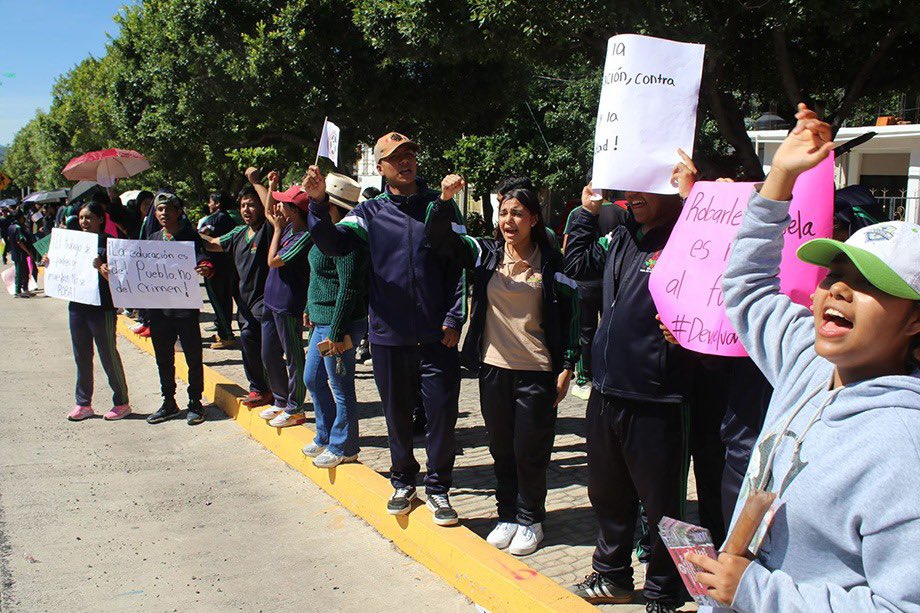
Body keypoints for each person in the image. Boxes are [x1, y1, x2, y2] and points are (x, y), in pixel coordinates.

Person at [687, 104, 920, 611]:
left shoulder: (905, 449)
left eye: (868, 284)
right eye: (834, 274)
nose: (837, 289)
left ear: (915, 322)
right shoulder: (805, 361)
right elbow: (747, 288)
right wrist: (782, 177)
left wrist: (755, 592)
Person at [304, 131, 466, 526]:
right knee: (396, 414)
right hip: (390, 336)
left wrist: (453, 318)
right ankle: (402, 480)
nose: (406, 162)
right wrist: (317, 201)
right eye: (396, 157)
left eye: (410, 154)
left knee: (441, 414)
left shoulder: (440, 206)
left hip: (436, 335)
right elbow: (333, 244)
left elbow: (459, 263)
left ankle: (439, 488)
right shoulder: (369, 213)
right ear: (381, 167)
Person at [564, 163, 694, 612]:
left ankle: (664, 591)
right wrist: (584, 212)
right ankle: (612, 575)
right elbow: (577, 265)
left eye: (647, 187)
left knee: (664, 507)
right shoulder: (621, 236)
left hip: (658, 396)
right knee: (607, 493)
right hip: (606, 391)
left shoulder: (685, 237)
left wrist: (693, 197)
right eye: (630, 187)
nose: (633, 195)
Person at [427, 184, 579, 555]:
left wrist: (569, 364)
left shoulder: (552, 261)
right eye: (504, 212)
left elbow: (573, 314)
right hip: (493, 368)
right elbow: (438, 238)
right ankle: (507, 515)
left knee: (531, 449)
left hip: (537, 370)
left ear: (533, 219)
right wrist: (443, 202)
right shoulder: (486, 254)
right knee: (501, 448)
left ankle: (531, 519)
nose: (508, 220)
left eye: (517, 213)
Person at [301, 173, 369, 468]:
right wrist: (309, 306)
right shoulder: (325, 234)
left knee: (341, 386)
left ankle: (345, 446)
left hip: (338, 325)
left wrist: (339, 331)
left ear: (333, 206)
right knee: (312, 379)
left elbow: (349, 288)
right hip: (322, 321)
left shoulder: (348, 239)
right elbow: (319, 276)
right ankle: (325, 435)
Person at [42, 202, 131, 421]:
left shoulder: (109, 244)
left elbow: (120, 279)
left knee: (108, 355)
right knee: (81, 356)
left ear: (101, 220)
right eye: (82, 218)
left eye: (89, 217)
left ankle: (121, 403)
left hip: (102, 309)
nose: (84, 222)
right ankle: (83, 404)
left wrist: (102, 267)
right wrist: (48, 262)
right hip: (77, 307)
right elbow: (62, 268)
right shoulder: (71, 244)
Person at [202, 176, 275, 409]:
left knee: (266, 349)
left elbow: (271, 209)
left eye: (252, 204)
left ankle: (276, 392)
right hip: (244, 303)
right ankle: (260, 390)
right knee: (249, 343)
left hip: (266, 302)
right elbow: (212, 243)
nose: (247, 209)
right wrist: (187, 233)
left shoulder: (268, 230)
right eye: (243, 204)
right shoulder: (237, 234)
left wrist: (256, 182)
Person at [145, 192, 215, 426]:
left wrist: (205, 267)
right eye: (160, 209)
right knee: (163, 359)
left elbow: (203, 259)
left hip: (184, 309)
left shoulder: (189, 237)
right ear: (155, 214)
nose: (164, 213)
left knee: (193, 358)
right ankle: (168, 402)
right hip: (159, 311)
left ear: (177, 212)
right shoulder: (152, 238)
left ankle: (195, 402)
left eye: (168, 209)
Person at [562, 184, 628, 400]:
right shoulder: (623, 213)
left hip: (585, 282)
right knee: (608, 328)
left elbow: (568, 247)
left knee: (586, 332)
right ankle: (609, 372)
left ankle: (585, 379)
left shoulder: (579, 211)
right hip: (610, 282)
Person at [256, 175, 311, 428]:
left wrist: (277, 230)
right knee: (268, 353)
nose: (279, 208)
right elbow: (268, 210)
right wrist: (271, 186)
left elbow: (274, 261)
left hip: (288, 304)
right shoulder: (289, 226)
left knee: (293, 357)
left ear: (294, 210)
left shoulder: (303, 236)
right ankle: (279, 399)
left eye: (285, 204)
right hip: (271, 300)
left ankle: (295, 406)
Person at [198, 191, 240, 349]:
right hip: (227, 265)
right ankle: (225, 332)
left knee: (219, 301)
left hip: (216, 267)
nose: (209, 205)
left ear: (217, 203)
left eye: (210, 201)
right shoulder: (230, 217)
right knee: (225, 301)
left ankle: (225, 335)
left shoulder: (217, 218)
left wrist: (199, 237)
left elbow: (204, 235)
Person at [7, 208, 35, 298]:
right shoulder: (18, 227)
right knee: (20, 272)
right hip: (20, 254)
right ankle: (17, 291)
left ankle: (25, 289)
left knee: (25, 271)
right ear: (20, 218)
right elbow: (19, 241)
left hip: (15, 253)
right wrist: (28, 252)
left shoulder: (11, 227)